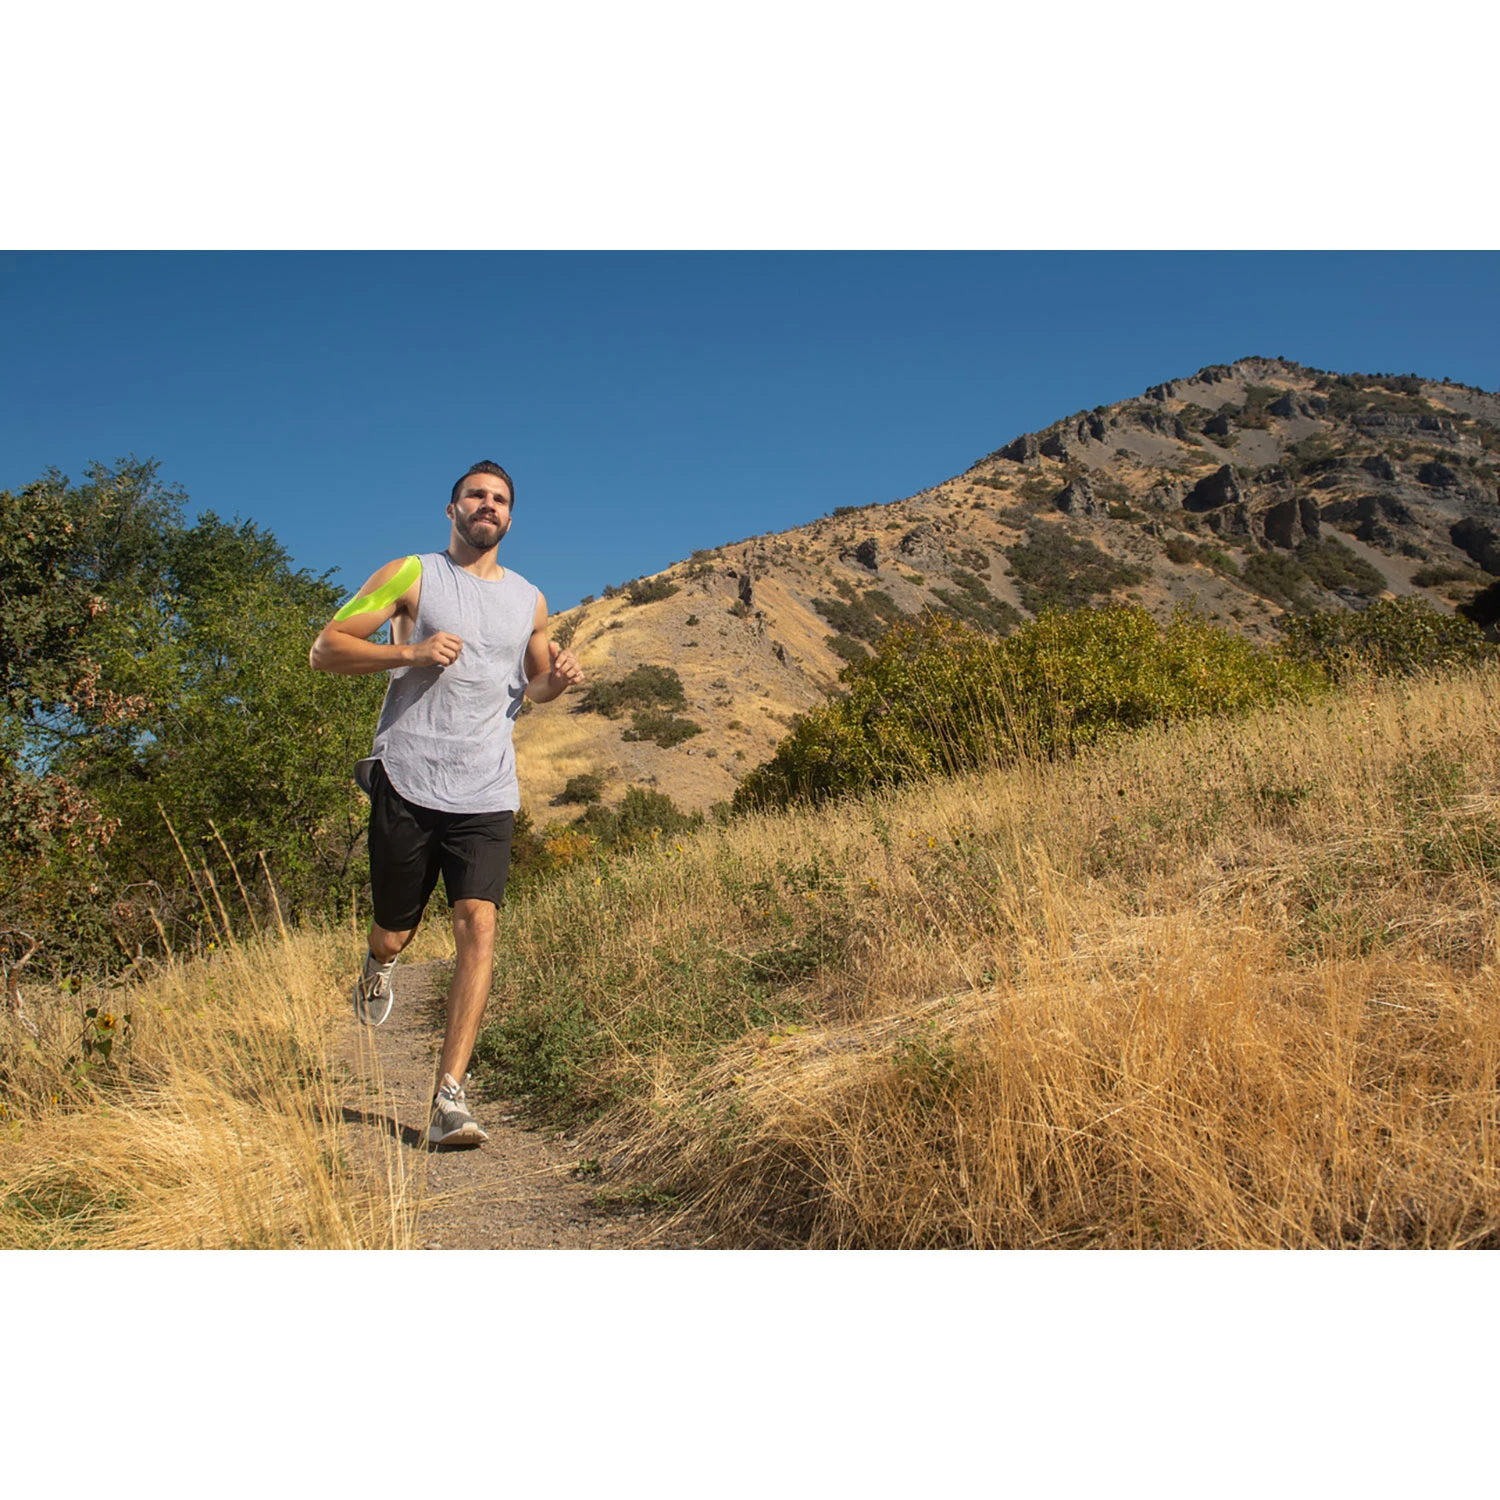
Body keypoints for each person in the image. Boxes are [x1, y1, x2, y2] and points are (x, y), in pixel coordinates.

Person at [309, 460, 584, 1147]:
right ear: (452, 509)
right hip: (409, 777)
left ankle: (448, 1099)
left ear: (510, 517)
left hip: (487, 788)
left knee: (478, 925)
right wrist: (411, 653)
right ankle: (379, 963)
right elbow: (327, 649)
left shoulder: (530, 600)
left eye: (500, 499)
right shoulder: (410, 574)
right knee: (395, 930)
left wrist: (558, 680)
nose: (487, 505)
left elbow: (535, 688)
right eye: (475, 495)